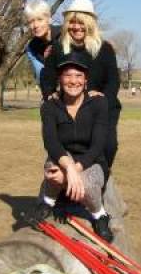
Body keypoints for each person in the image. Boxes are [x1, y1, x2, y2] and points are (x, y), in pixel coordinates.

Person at [35, 50, 113, 242]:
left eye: (78, 75)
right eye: (67, 75)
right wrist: (68, 168)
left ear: (86, 80)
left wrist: (74, 171)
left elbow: (97, 146)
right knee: (52, 170)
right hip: (62, 157)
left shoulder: (99, 103)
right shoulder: (49, 107)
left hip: (92, 160)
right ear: (60, 79)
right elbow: (51, 142)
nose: (73, 80)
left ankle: (99, 214)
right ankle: (48, 201)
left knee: (86, 184)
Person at [41, 0, 121, 168]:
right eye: (72, 22)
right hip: (69, 107)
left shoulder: (105, 49)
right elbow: (46, 77)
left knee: (108, 146)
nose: (76, 27)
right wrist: (49, 95)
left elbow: (113, 80)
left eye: (81, 22)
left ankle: (102, 183)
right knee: (64, 147)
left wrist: (103, 97)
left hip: (101, 107)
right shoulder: (57, 48)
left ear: (90, 24)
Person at [24, 0, 61, 86]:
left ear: (49, 19)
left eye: (40, 19)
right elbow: (41, 76)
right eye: (31, 21)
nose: (35, 25)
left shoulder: (64, 35)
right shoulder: (32, 48)